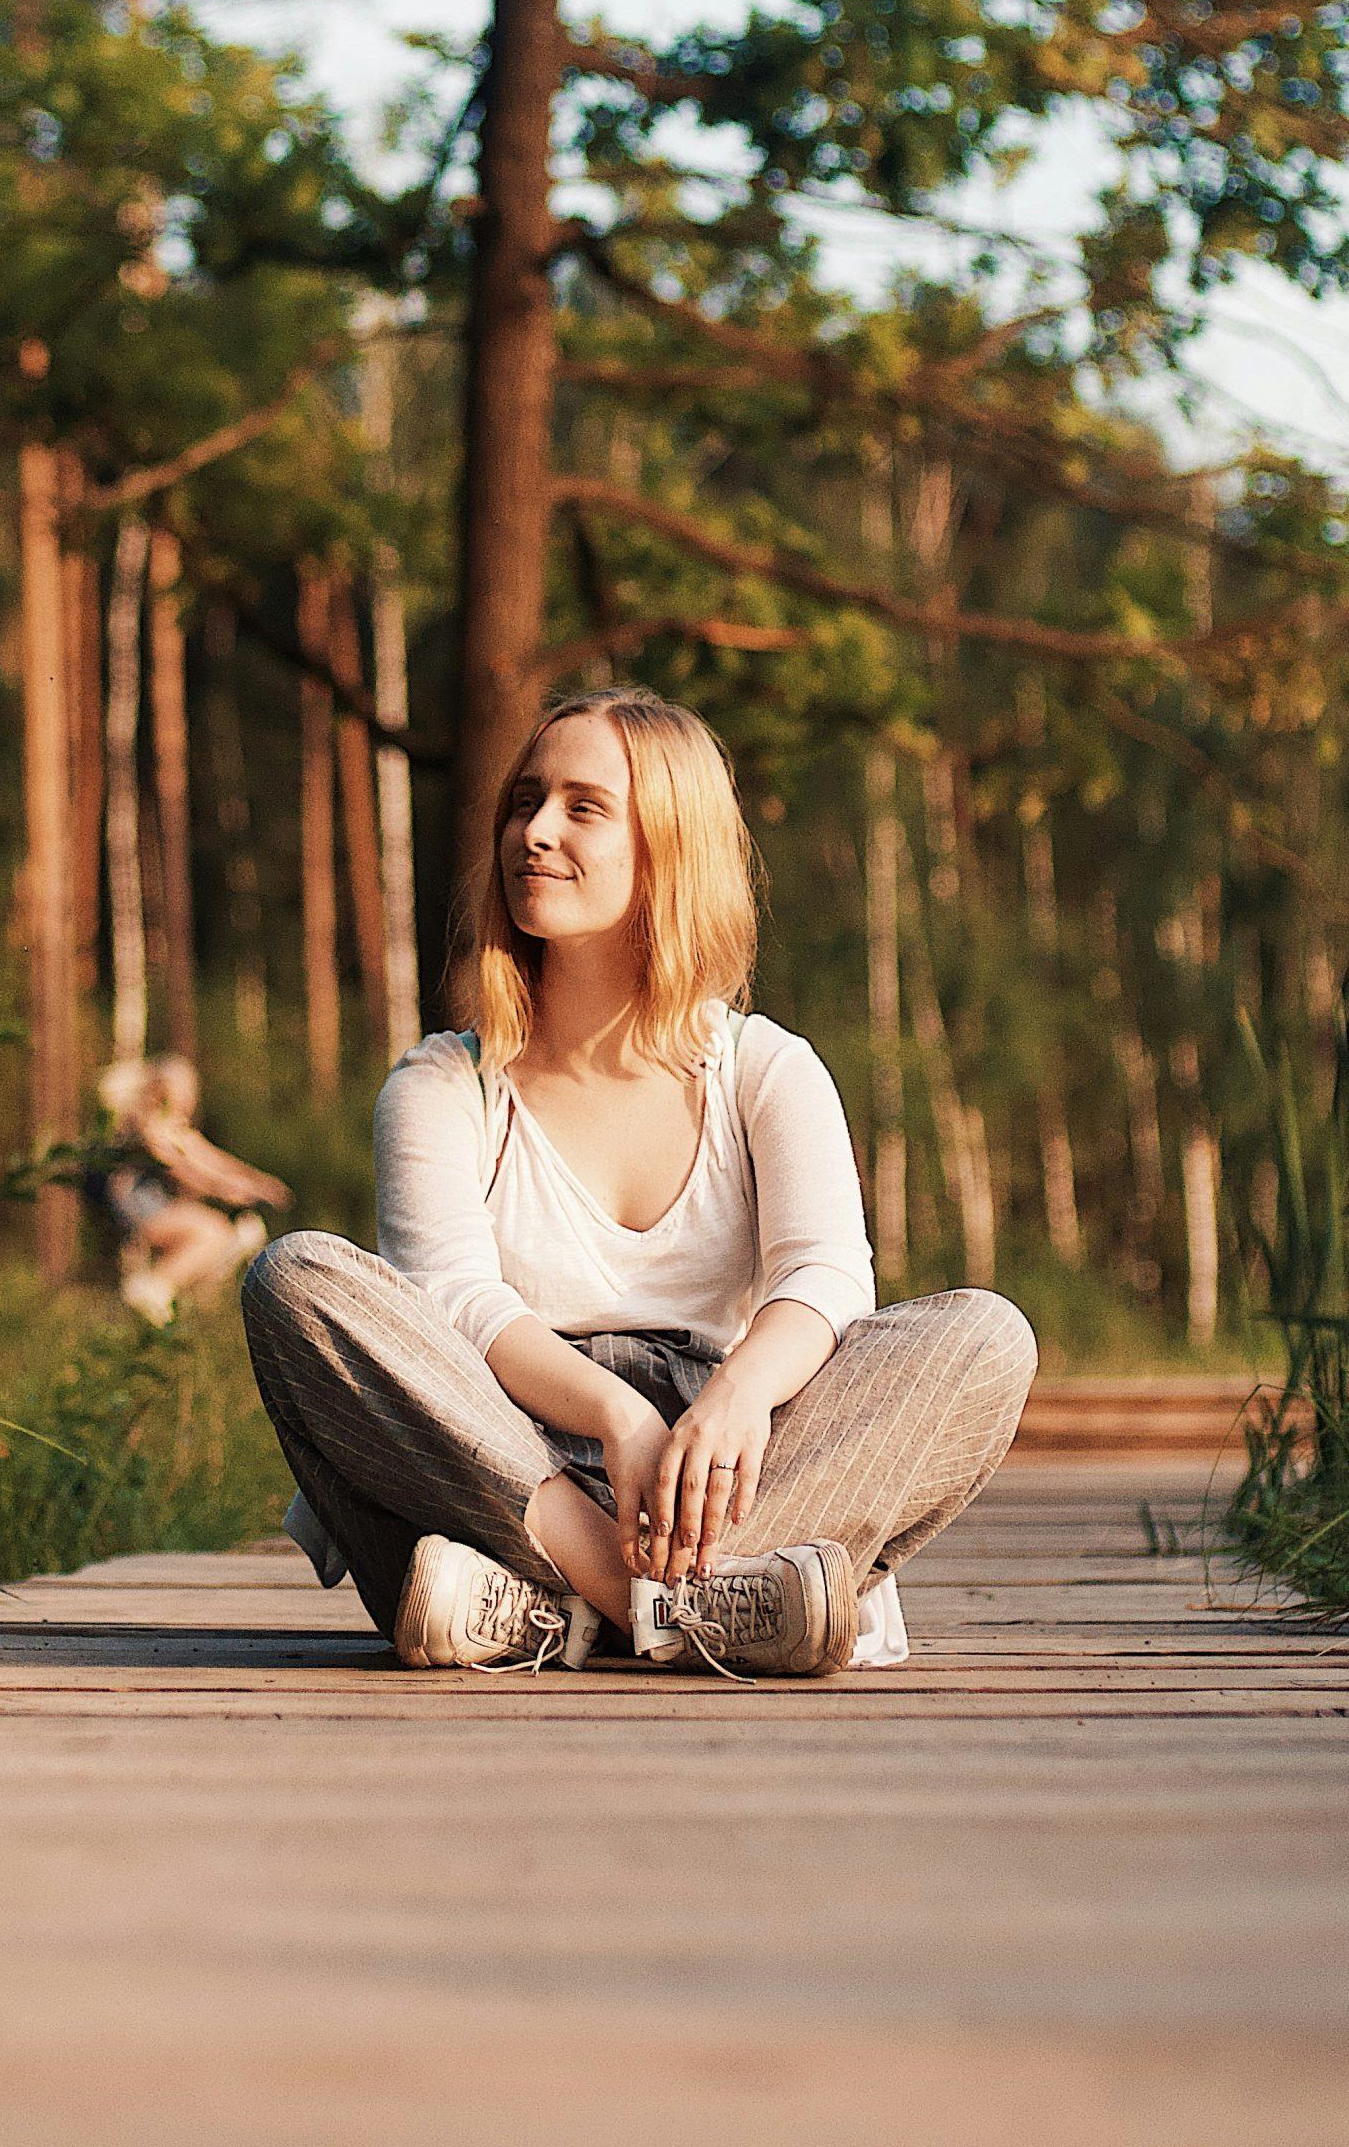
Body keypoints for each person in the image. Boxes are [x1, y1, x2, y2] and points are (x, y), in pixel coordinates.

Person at [243, 687, 1036, 1676]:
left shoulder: (764, 1069)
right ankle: (683, 1613)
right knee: (296, 1279)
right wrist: (616, 1413)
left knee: (986, 1337)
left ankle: (541, 1616)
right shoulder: (444, 1083)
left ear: (667, 846)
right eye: (526, 801)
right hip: (503, 1454)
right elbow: (452, 1300)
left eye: (582, 806)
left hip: (722, 1476)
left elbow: (827, 1278)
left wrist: (737, 1394)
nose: (533, 832)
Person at [98, 1054, 291, 1327]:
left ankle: (168, 1305)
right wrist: (224, 1189)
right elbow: (181, 1168)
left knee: (221, 1249)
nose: (190, 1096)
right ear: (163, 1090)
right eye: (184, 1089)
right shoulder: (149, 1126)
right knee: (213, 1234)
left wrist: (259, 1182)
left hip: (154, 1208)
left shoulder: (173, 1127)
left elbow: (212, 1160)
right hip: (140, 1211)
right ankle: (151, 1289)